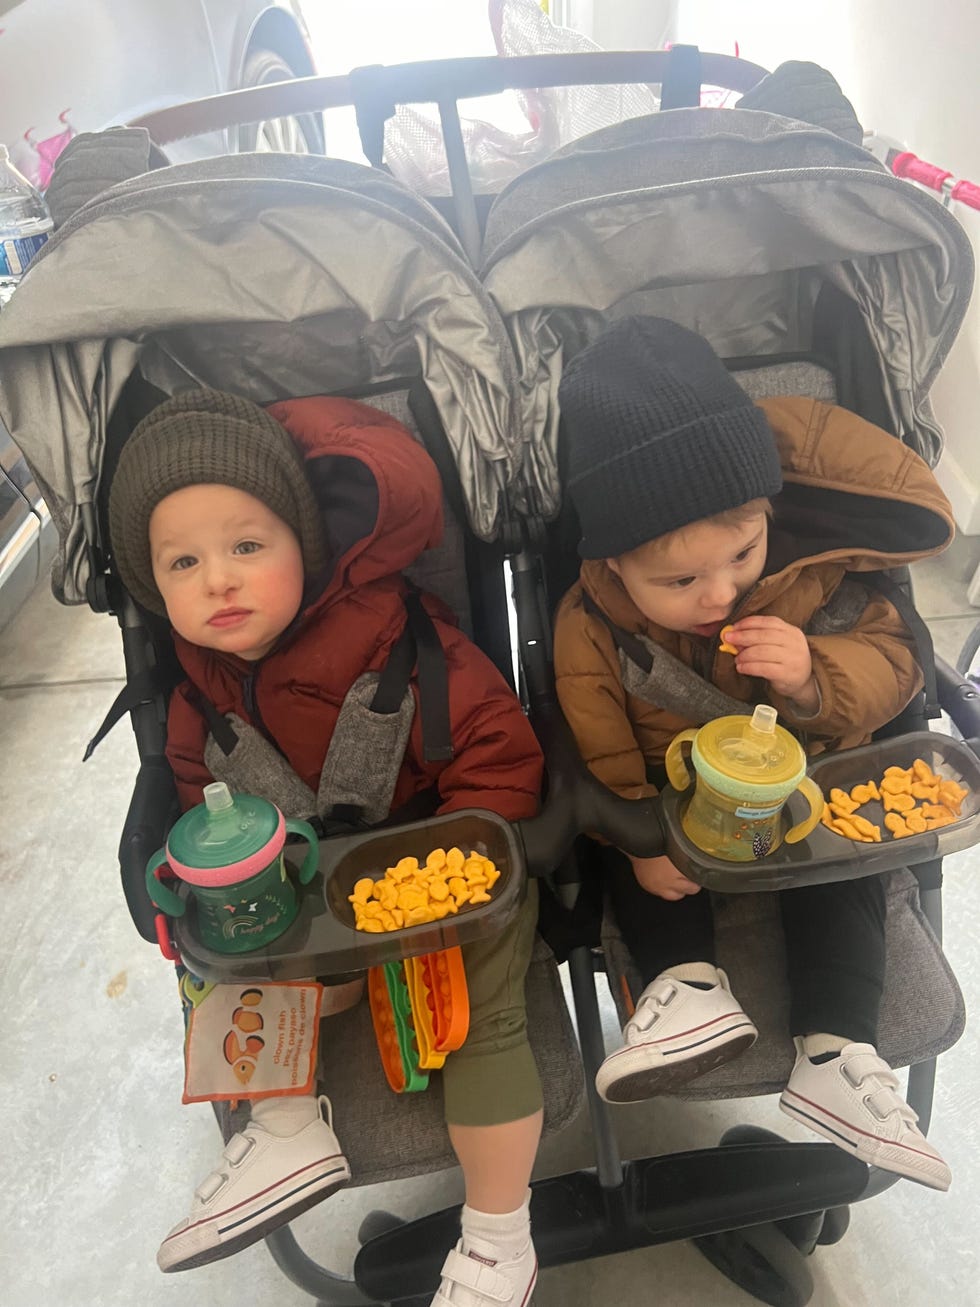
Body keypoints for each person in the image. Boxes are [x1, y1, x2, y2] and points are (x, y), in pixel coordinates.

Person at [109, 388, 544, 1304]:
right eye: (183, 561)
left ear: (304, 548)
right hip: (308, 902)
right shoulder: (195, 696)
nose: (217, 580)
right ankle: (282, 1123)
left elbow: (502, 751)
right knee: (223, 953)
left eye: (246, 547)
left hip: (436, 880)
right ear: (154, 588)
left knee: (485, 1017)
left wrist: (459, 868)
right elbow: (204, 808)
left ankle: (501, 1238)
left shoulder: (399, 638)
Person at [553, 315, 955, 1191]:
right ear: (615, 566)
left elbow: (895, 660)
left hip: (802, 790)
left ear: (769, 510)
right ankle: (686, 986)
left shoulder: (813, 576)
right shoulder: (592, 623)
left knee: (846, 866)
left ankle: (837, 1052)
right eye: (679, 581)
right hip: (674, 804)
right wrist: (635, 836)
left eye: (742, 553)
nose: (720, 592)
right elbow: (598, 744)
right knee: (636, 862)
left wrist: (815, 676)